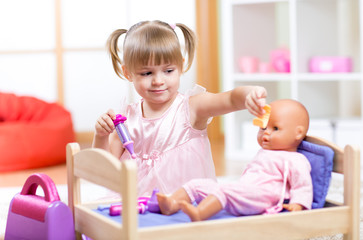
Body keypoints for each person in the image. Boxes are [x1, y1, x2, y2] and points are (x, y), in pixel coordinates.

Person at [92, 20, 267, 196]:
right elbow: (103, 169)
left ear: (181, 66)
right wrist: (101, 136)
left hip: (188, 205)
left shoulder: (192, 107)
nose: (158, 81)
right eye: (146, 73)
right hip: (139, 208)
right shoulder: (126, 120)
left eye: (168, 71)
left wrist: (249, 94)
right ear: (127, 72)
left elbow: (229, 99)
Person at [157, 99, 312, 221]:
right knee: (198, 184)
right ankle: (172, 203)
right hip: (243, 191)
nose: (266, 134)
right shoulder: (265, 152)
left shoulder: (296, 160)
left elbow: (302, 185)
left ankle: (199, 213)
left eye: (276, 129)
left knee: (225, 190)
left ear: (298, 133)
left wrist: (298, 204)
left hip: (263, 197)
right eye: (263, 128)